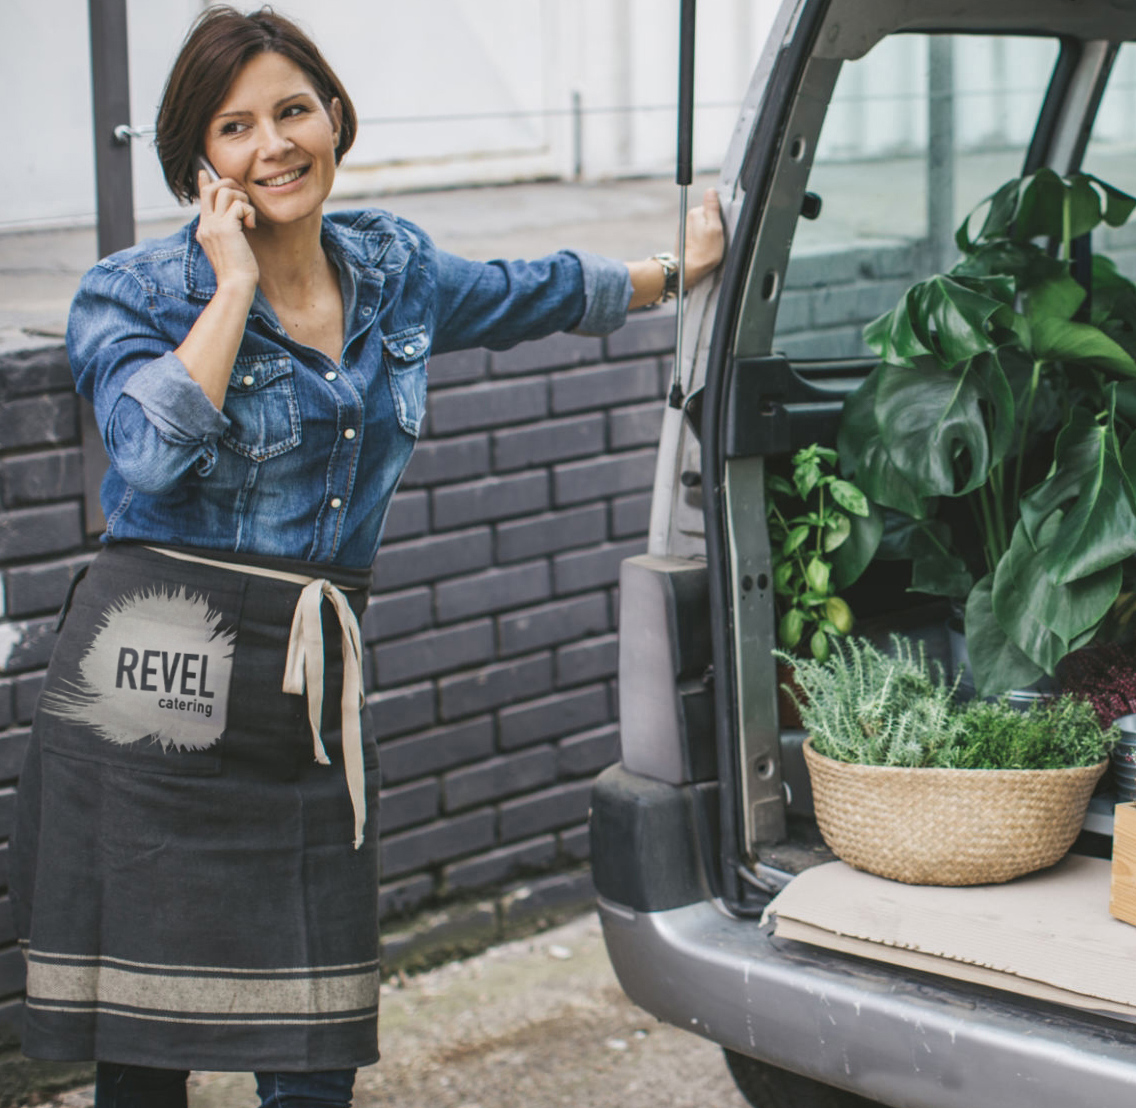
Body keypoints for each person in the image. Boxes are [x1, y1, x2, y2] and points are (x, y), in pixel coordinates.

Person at [9, 6, 725, 1107]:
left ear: (336, 117)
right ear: (198, 162)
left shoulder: (390, 267)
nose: (274, 145)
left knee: (313, 1040)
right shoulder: (135, 293)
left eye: (293, 110)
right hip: (155, 680)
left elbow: (523, 291)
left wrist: (673, 270)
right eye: (235, 126)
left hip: (305, 684)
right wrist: (235, 285)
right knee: (148, 1047)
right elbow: (146, 456)